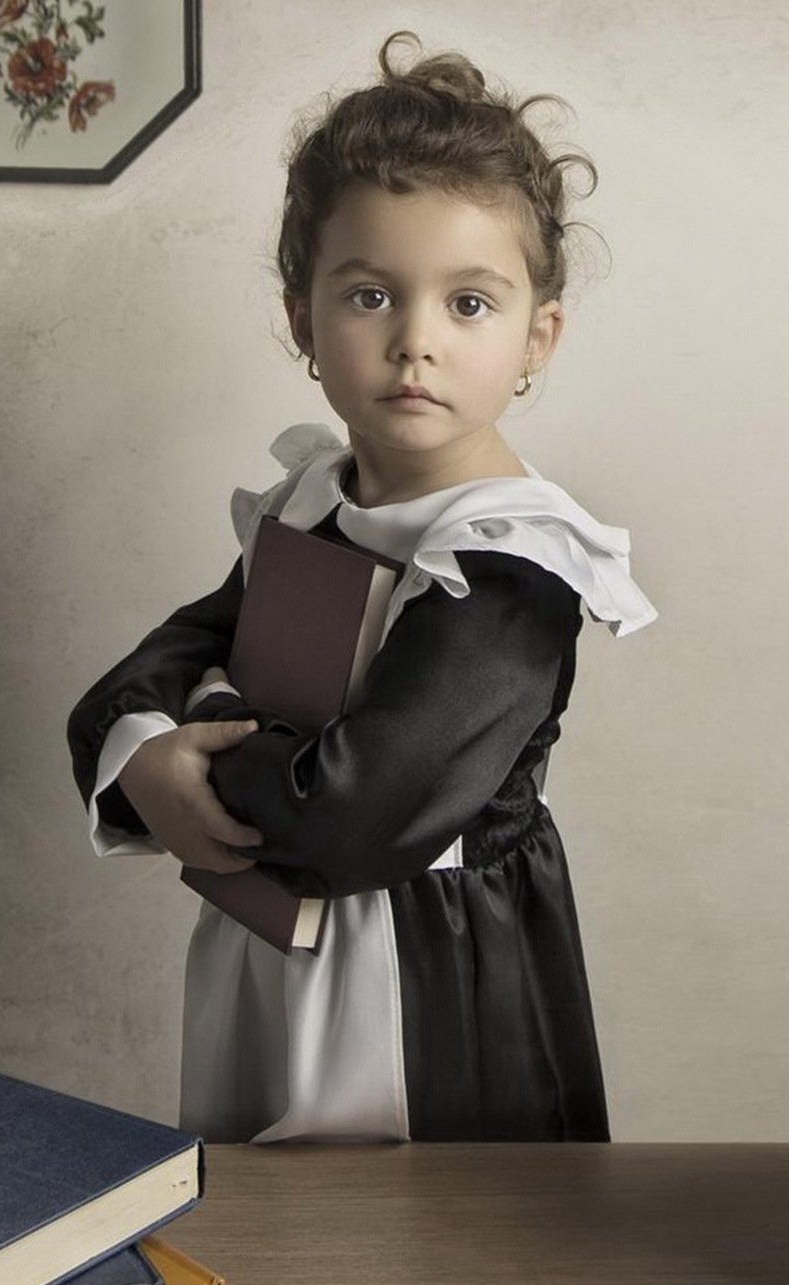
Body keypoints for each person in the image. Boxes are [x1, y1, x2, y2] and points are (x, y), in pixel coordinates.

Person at [67, 33, 656, 1143]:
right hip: (267, 938)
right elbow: (161, 658)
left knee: (411, 1255)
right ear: (303, 318)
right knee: (265, 1225)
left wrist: (188, 745)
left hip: (427, 977)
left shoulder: (508, 564)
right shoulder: (312, 499)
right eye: (373, 295)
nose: (415, 344)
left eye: (468, 305)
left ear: (540, 336)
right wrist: (140, 750)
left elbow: (355, 811)